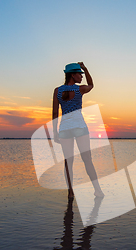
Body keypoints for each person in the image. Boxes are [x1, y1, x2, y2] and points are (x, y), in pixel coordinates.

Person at [52, 62, 104, 197]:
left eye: (82, 74)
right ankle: (98, 190)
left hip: (64, 130)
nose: (81, 77)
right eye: (79, 74)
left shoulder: (57, 91)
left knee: (68, 161)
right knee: (87, 159)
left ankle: (70, 193)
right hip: (80, 127)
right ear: (72, 75)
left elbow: (54, 113)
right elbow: (92, 85)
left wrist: (55, 132)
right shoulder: (79, 90)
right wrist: (86, 68)